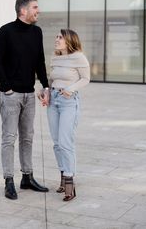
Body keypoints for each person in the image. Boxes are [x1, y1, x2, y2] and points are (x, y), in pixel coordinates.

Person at [0, 0, 49, 200]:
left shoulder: (37, 32)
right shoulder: (5, 32)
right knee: (9, 138)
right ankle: (9, 180)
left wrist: (45, 85)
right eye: (35, 7)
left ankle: (27, 177)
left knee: (28, 137)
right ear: (22, 10)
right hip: (11, 95)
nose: (38, 11)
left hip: (29, 94)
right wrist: (6, 88)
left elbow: (40, 61)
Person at [40, 29, 90, 201]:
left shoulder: (79, 57)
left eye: (60, 37)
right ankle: (62, 177)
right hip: (53, 101)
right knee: (56, 143)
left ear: (69, 40)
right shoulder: (55, 58)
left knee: (65, 142)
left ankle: (70, 183)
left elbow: (85, 78)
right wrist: (45, 92)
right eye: (56, 36)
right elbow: (52, 80)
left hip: (69, 102)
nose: (57, 39)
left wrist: (70, 89)